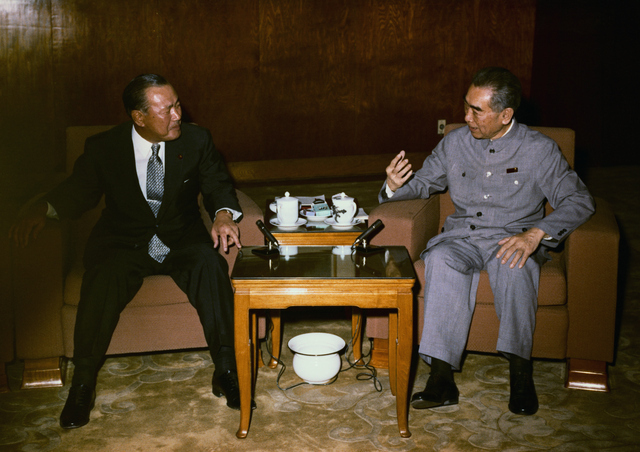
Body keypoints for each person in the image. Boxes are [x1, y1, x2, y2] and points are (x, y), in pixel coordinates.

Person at [9, 74, 255, 429]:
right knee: (102, 278)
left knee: (210, 264)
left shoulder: (197, 139)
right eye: (166, 109)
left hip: (181, 237)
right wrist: (43, 208)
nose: (177, 115)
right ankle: (82, 385)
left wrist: (221, 216)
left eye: (178, 105)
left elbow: (218, 184)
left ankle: (227, 371)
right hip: (123, 240)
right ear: (138, 117)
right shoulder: (104, 147)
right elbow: (78, 191)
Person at [381, 67, 595, 415]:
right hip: (462, 237)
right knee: (439, 260)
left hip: (512, 238)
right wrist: (393, 185)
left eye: (477, 111)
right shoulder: (454, 142)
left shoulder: (538, 149)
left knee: (515, 263)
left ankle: (520, 374)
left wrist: (535, 234)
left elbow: (579, 200)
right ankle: (440, 378)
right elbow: (422, 183)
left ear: (505, 115)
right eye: (466, 106)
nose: (466, 117)